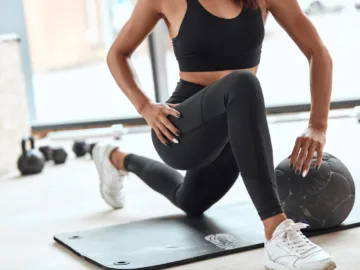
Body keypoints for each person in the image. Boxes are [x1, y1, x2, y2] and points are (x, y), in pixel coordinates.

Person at [92, 0, 335, 269]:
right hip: (181, 130)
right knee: (242, 81)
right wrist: (145, 106)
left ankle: (115, 158)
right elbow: (118, 53)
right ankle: (276, 235)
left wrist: (318, 125)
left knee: (190, 201)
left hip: (231, 132)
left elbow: (318, 51)